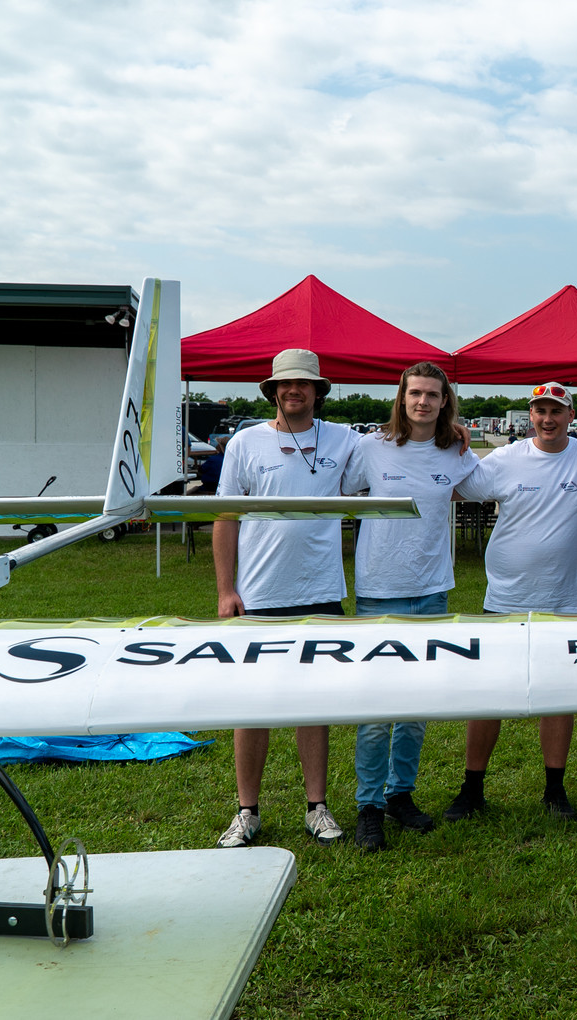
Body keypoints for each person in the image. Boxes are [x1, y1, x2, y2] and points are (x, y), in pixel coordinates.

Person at [447, 382, 577, 821]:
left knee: (557, 697)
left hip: (565, 602)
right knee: (489, 696)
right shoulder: (506, 458)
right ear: (530, 416)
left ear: (571, 416)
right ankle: (471, 789)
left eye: (556, 411)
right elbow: (453, 487)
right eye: (540, 411)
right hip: (505, 598)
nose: (547, 419)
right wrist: (446, 442)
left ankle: (555, 790)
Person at [213, 349, 360, 849]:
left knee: (312, 704)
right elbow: (226, 518)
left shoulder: (344, 438)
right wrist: (226, 590)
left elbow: (399, 445)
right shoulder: (245, 442)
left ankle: (317, 807)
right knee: (253, 705)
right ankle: (247, 811)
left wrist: (453, 432)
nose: (294, 390)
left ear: (318, 391)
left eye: (304, 383)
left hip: (320, 592)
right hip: (259, 593)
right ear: (273, 390)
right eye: (285, 383)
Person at [341, 362, 482, 853]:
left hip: (432, 592)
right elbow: (339, 488)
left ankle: (400, 795)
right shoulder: (370, 447)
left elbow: (490, 482)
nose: (423, 401)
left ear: (445, 403)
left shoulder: (455, 451)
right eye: (415, 393)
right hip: (379, 592)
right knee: (377, 707)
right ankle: (368, 806)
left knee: (417, 704)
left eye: (433, 395)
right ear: (401, 398)